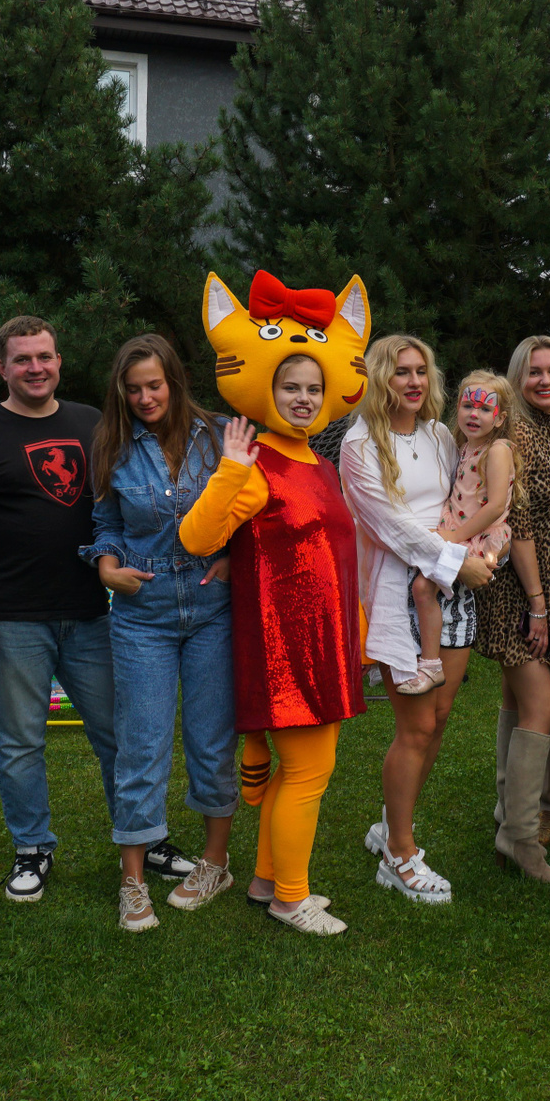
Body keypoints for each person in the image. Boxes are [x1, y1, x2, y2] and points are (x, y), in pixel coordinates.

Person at [178, 269, 370, 935]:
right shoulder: (257, 464)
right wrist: (231, 468)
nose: (303, 398)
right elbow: (197, 537)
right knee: (310, 773)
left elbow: (332, 558)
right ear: (269, 391)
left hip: (325, 640)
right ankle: (292, 896)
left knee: (300, 772)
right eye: (291, 387)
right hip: (287, 649)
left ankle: (266, 881)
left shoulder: (319, 462)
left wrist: (355, 629)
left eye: (313, 388)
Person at [0, 316, 130, 908]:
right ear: (2, 367)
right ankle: (32, 847)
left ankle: (140, 837)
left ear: (59, 360)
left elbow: (123, 507)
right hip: (11, 616)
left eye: (44, 356)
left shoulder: (92, 423)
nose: (35, 368)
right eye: (22, 359)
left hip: (93, 611)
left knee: (119, 735)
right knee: (20, 742)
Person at [85, 334, 238, 930]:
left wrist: (235, 556)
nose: (145, 397)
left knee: (211, 741)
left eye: (154, 385)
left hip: (212, 610)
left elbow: (251, 506)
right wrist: (106, 566)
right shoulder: (112, 444)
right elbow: (105, 522)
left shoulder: (221, 435)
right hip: (142, 613)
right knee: (141, 745)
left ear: (174, 380)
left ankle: (215, 863)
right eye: (133, 389)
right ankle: (133, 881)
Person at [339, 337, 496, 905]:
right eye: (400, 372)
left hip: (453, 584)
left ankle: (389, 825)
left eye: (420, 372)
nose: (412, 382)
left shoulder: (438, 435)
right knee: (416, 728)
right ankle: (399, 856)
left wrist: (483, 550)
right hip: (400, 590)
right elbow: (389, 525)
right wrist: (457, 560)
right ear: (379, 378)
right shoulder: (359, 444)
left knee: (441, 715)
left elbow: (465, 497)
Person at [475, 335, 550, 884]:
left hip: (543, 581)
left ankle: (506, 824)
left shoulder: (549, 430)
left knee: (518, 701)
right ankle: (521, 839)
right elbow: (518, 524)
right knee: (542, 705)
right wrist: (538, 605)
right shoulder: (517, 434)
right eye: (534, 371)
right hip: (520, 587)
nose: (545, 380)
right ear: (516, 379)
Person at [406, 371, 516, 690]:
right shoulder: (464, 447)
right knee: (423, 587)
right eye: (468, 406)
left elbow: (495, 506)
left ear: (500, 418)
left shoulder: (498, 450)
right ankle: (420, 656)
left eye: (485, 409)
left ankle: (430, 665)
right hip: (458, 527)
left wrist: (455, 538)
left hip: (477, 534)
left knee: (423, 588)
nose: (474, 414)